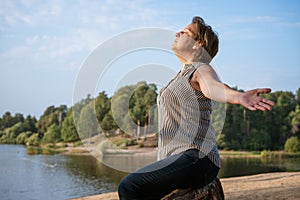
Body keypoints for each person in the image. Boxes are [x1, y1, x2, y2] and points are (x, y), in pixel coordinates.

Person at [118, 16, 275, 200]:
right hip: (182, 159)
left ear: (198, 44)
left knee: (130, 187)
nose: (178, 33)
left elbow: (213, 87)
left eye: (185, 32)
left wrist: (239, 97)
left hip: (197, 156)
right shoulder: (180, 76)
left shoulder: (200, 68)